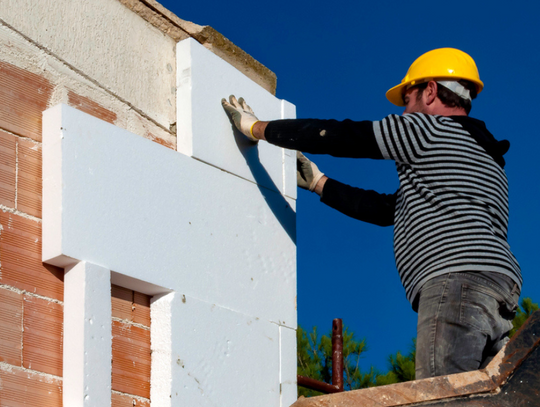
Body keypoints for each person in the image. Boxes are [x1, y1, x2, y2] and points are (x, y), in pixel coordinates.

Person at [222, 48, 522, 379]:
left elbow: (344, 137)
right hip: (498, 289)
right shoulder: (486, 158)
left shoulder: (426, 129)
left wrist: (257, 128)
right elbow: (388, 209)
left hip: (455, 281)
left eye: (408, 100)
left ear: (431, 91)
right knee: (482, 395)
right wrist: (319, 182)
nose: (405, 111)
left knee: (442, 395)